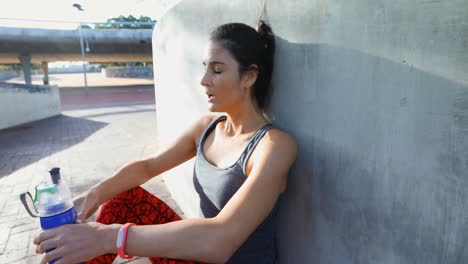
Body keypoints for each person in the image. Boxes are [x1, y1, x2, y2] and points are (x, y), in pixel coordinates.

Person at [33, 20, 297, 264]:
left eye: (217, 70)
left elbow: (221, 239)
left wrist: (106, 237)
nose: (204, 80)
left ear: (249, 77)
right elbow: (147, 167)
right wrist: (91, 196)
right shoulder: (207, 128)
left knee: (104, 232)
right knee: (125, 198)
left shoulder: (273, 146)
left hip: (216, 249)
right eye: (204, 67)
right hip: (199, 257)